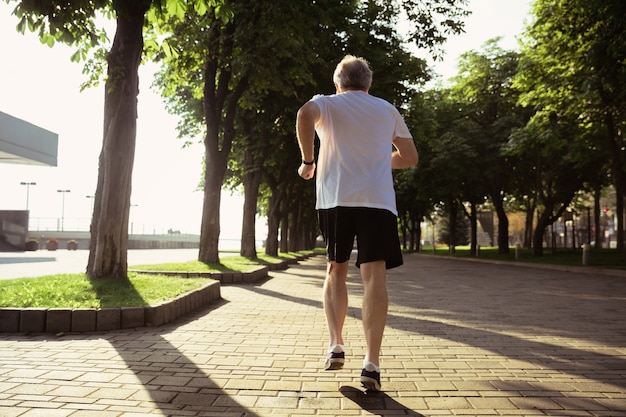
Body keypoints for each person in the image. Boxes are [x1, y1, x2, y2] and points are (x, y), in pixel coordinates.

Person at [296, 55, 419, 391]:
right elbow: (409, 157)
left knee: (336, 268)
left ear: (338, 83)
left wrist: (308, 161)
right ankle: (372, 364)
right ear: (369, 84)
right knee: (374, 276)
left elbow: (304, 114)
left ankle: (336, 345)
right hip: (377, 201)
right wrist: (378, 160)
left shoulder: (326, 103)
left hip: (336, 198)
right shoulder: (387, 109)